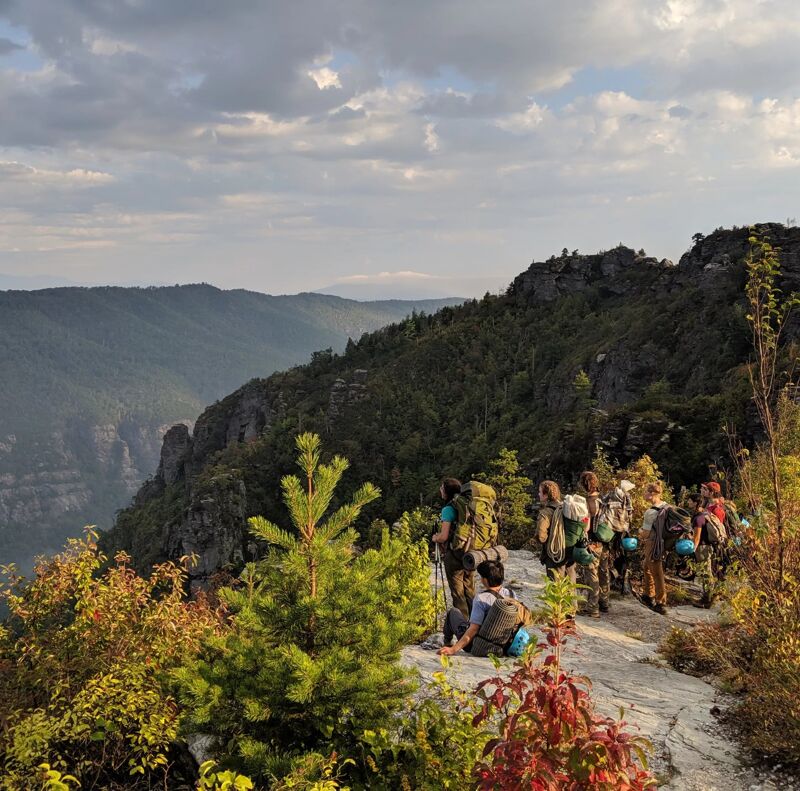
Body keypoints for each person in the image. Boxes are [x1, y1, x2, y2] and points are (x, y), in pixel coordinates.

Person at [438, 559, 515, 656]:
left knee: (453, 612)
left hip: (478, 645)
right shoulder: (512, 595)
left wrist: (453, 650)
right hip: (503, 646)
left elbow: (473, 629)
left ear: (485, 580)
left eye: (481, 577)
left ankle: (447, 643)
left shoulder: (481, 598)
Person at [432, 477, 474, 619]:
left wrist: (435, 538)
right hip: (470, 552)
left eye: (442, 488)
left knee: (458, 592)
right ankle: (476, 622)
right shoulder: (466, 505)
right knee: (469, 588)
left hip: (455, 553)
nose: (440, 490)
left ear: (447, 491)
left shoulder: (448, 508)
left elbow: (443, 536)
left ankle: (463, 626)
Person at [577, 471, 609, 618]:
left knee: (592, 573)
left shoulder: (588, 502)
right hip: (605, 540)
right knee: (604, 571)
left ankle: (593, 607)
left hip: (592, 542)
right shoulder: (604, 498)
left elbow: (587, 526)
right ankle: (604, 602)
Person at [536, 480, 576, 584]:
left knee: (556, 586)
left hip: (555, 555)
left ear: (545, 495)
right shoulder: (566, 508)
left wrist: (549, 542)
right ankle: (572, 601)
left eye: (540, 492)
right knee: (570, 585)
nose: (539, 494)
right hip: (570, 552)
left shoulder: (546, 512)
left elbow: (541, 536)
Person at [640, 482, 668, 615]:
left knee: (656, 571)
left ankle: (660, 602)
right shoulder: (666, 506)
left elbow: (645, 533)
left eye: (646, 491)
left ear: (652, 494)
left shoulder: (650, 512)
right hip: (663, 543)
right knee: (646, 566)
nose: (644, 494)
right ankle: (647, 594)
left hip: (652, 543)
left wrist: (639, 533)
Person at [686, 492, 715, 608]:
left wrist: (693, 549)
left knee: (705, 573)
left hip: (703, 548)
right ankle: (708, 597)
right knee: (706, 573)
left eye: (689, 500)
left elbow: (697, 536)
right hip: (706, 547)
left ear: (695, 502)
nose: (688, 502)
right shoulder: (705, 513)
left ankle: (707, 599)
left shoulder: (699, 518)